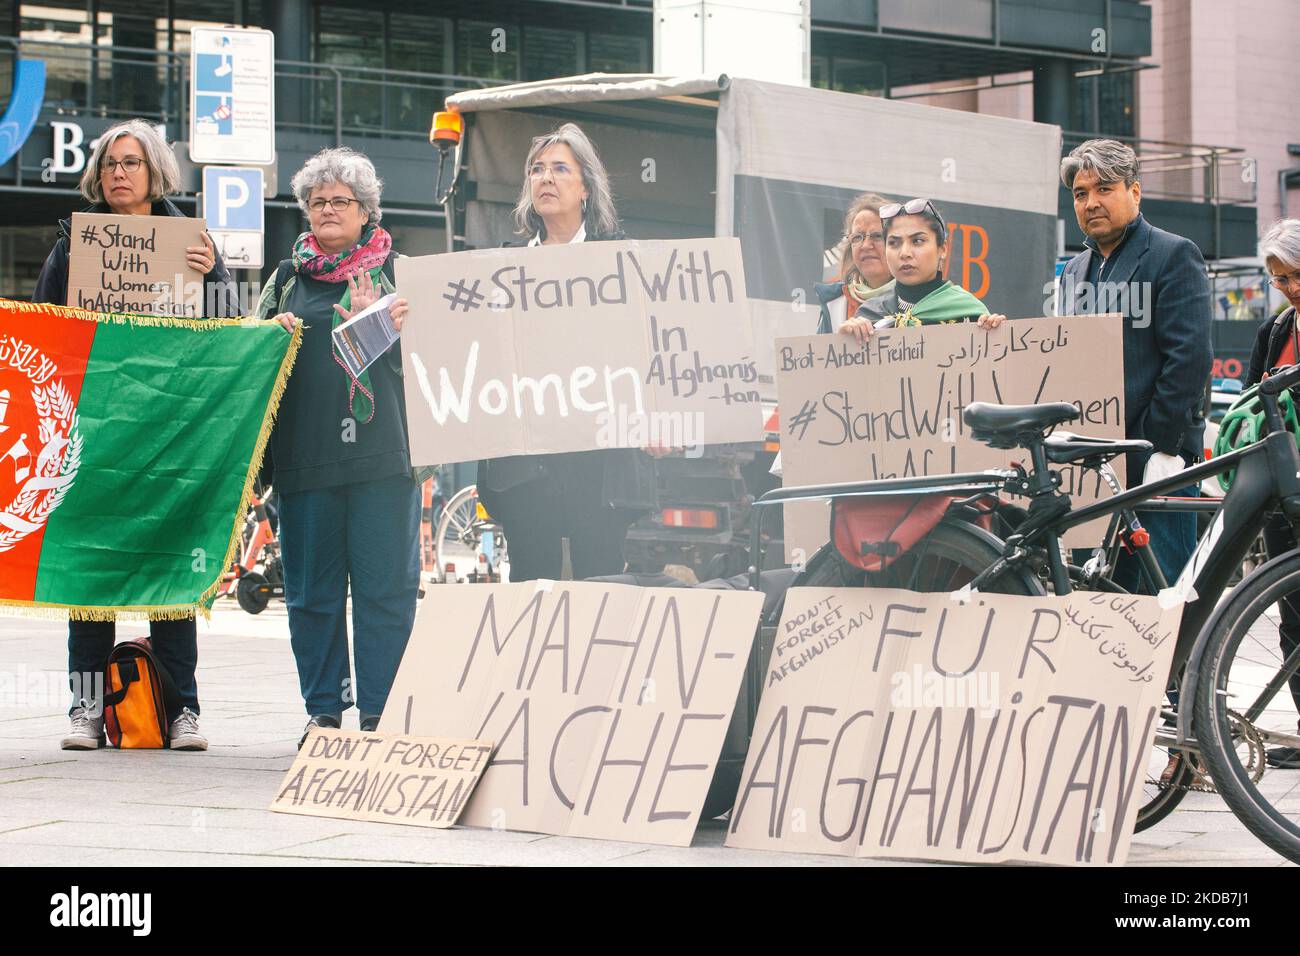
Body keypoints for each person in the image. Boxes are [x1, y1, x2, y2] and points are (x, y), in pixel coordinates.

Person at [33, 118, 237, 752]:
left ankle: (182, 712)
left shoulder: (193, 241)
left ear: (155, 173)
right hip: (94, 435)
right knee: (91, 572)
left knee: (172, 570)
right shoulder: (73, 244)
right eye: (110, 164)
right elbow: (42, 329)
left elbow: (229, 331)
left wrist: (213, 279)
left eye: (132, 163)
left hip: (170, 433)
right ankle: (86, 711)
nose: (119, 173)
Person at [256, 147, 418, 748]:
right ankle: (325, 712)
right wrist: (267, 340)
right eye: (317, 201)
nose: (327, 209)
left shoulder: (400, 272)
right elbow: (252, 368)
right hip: (305, 460)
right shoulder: (285, 280)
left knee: (386, 591)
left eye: (340, 201)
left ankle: (379, 713)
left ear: (365, 210)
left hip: (384, 459)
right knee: (311, 596)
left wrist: (396, 329)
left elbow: (439, 363)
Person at [475, 122, 658, 582]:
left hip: (599, 469)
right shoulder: (501, 265)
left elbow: (648, 347)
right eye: (537, 169)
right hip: (525, 472)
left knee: (599, 592)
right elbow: (479, 353)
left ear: (586, 188)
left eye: (560, 168)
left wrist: (658, 414)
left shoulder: (621, 261)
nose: (545, 178)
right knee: (532, 594)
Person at [1057, 139, 1212, 589]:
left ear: (1135, 192)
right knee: (1099, 594)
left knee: (1158, 599)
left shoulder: (1173, 254)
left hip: (1156, 459)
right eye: (1081, 193)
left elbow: (1190, 359)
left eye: (1104, 188)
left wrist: (1159, 445)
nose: (1091, 202)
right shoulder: (1072, 272)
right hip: (1093, 462)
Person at [1243, 218, 1300, 768]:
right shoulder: (1276, 331)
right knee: (1292, 616)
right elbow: (1250, 404)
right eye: (1280, 279)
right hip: (1286, 492)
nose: (1290, 288)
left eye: (1297, 275)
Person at [839, 197, 1006, 342]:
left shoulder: (970, 314)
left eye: (917, 241)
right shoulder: (869, 315)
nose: (905, 253)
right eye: (894, 243)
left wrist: (996, 336)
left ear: (943, 249)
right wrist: (845, 345)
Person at [814, 192, 895, 334]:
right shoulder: (834, 303)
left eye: (877, 236)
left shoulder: (918, 300)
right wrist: (841, 342)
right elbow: (818, 355)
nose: (865, 245)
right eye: (857, 237)